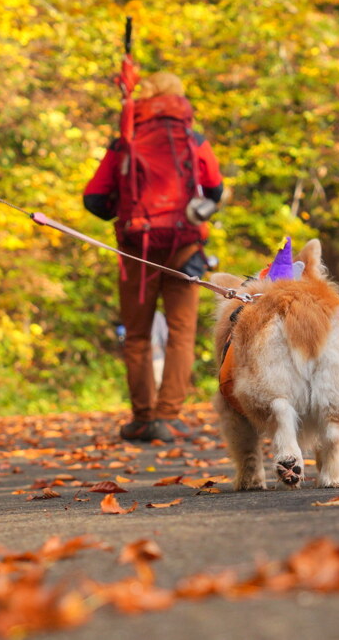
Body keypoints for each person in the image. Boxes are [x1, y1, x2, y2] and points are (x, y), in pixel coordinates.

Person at [84, 71, 225, 442]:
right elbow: (215, 190)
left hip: (136, 248)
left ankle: (143, 418)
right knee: (182, 334)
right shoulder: (193, 139)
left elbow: (93, 199)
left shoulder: (127, 139)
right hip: (185, 246)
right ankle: (169, 417)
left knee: (138, 335)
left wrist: (126, 214)